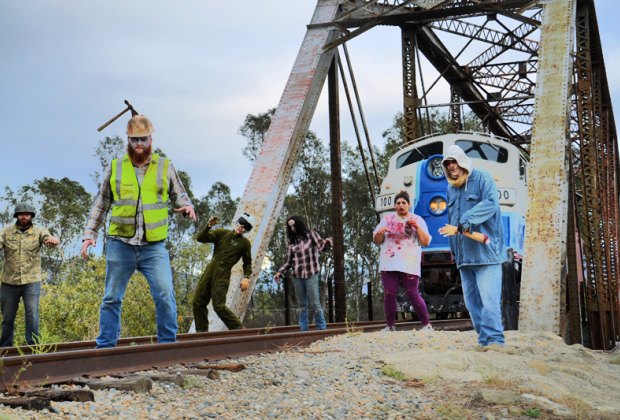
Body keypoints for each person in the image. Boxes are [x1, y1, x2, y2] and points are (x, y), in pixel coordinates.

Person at [81, 114, 196, 348]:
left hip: (154, 247)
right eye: (135, 140)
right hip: (120, 244)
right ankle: (106, 347)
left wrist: (187, 206)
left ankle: (167, 346)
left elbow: (180, 194)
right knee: (112, 297)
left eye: (143, 139)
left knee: (165, 294)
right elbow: (101, 203)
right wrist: (89, 234)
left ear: (151, 138)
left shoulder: (165, 166)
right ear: (128, 140)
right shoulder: (115, 167)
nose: (140, 144)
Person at [438, 144, 506, 349]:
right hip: (464, 257)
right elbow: (451, 220)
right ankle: (483, 340)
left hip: (485, 254)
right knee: (473, 305)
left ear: (463, 161)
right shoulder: (451, 188)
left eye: (454, 162)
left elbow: (491, 204)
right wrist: (454, 250)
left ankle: (495, 341)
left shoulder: (483, 178)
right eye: (447, 163)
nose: (451, 166)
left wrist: (465, 221)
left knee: (489, 301)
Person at [0, 202, 59, 347]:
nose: (24, 216)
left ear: (31, 216)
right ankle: (5, 347)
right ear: (16, 216)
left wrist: (52, 240)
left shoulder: (39, 231)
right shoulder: (6, 232)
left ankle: (32, 347)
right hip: (9, 282)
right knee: (7, 317)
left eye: (27, 214)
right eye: (21, 214)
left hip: (31, 282)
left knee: (32, 315)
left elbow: (48, 238)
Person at [373, 190, 432, 332]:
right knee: (389, 293)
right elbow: (376, 240)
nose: (401, 205)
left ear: (409, 205)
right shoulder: (387, 219)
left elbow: (426, 242)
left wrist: (417, 228)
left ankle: (427, 325)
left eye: (403, 203)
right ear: (395, 206)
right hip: (389, 261)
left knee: (412, 292)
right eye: (398, 203)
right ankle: (390, 326)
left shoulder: (417, 220)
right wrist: (380, 234)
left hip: (409, 261)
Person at [192, 213, 254, 331]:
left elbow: (247, 263)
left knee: (219, 306)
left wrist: (246, 277)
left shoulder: (244, 243)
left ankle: (239, 329)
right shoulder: (222, 233)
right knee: (198, 302)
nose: (242, 228)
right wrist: (208, 226)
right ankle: (201, 333)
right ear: (237, 222)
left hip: (222, 275)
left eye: (246, 228)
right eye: (241, 224)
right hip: (209, 271)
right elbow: (200, 238)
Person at [274, 216, 331, 331]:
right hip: (297, 276)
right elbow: (289, 262)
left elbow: (321, 246)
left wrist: (328, 242)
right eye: (290, 227)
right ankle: (303, 329)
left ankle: (321, 328)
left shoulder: (312, 235)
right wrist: (279, 272)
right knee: (301, 305)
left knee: (314, 303)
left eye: (293, 225)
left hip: (311, 274)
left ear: (299, 224)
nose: (292, 228)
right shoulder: (292, 242)